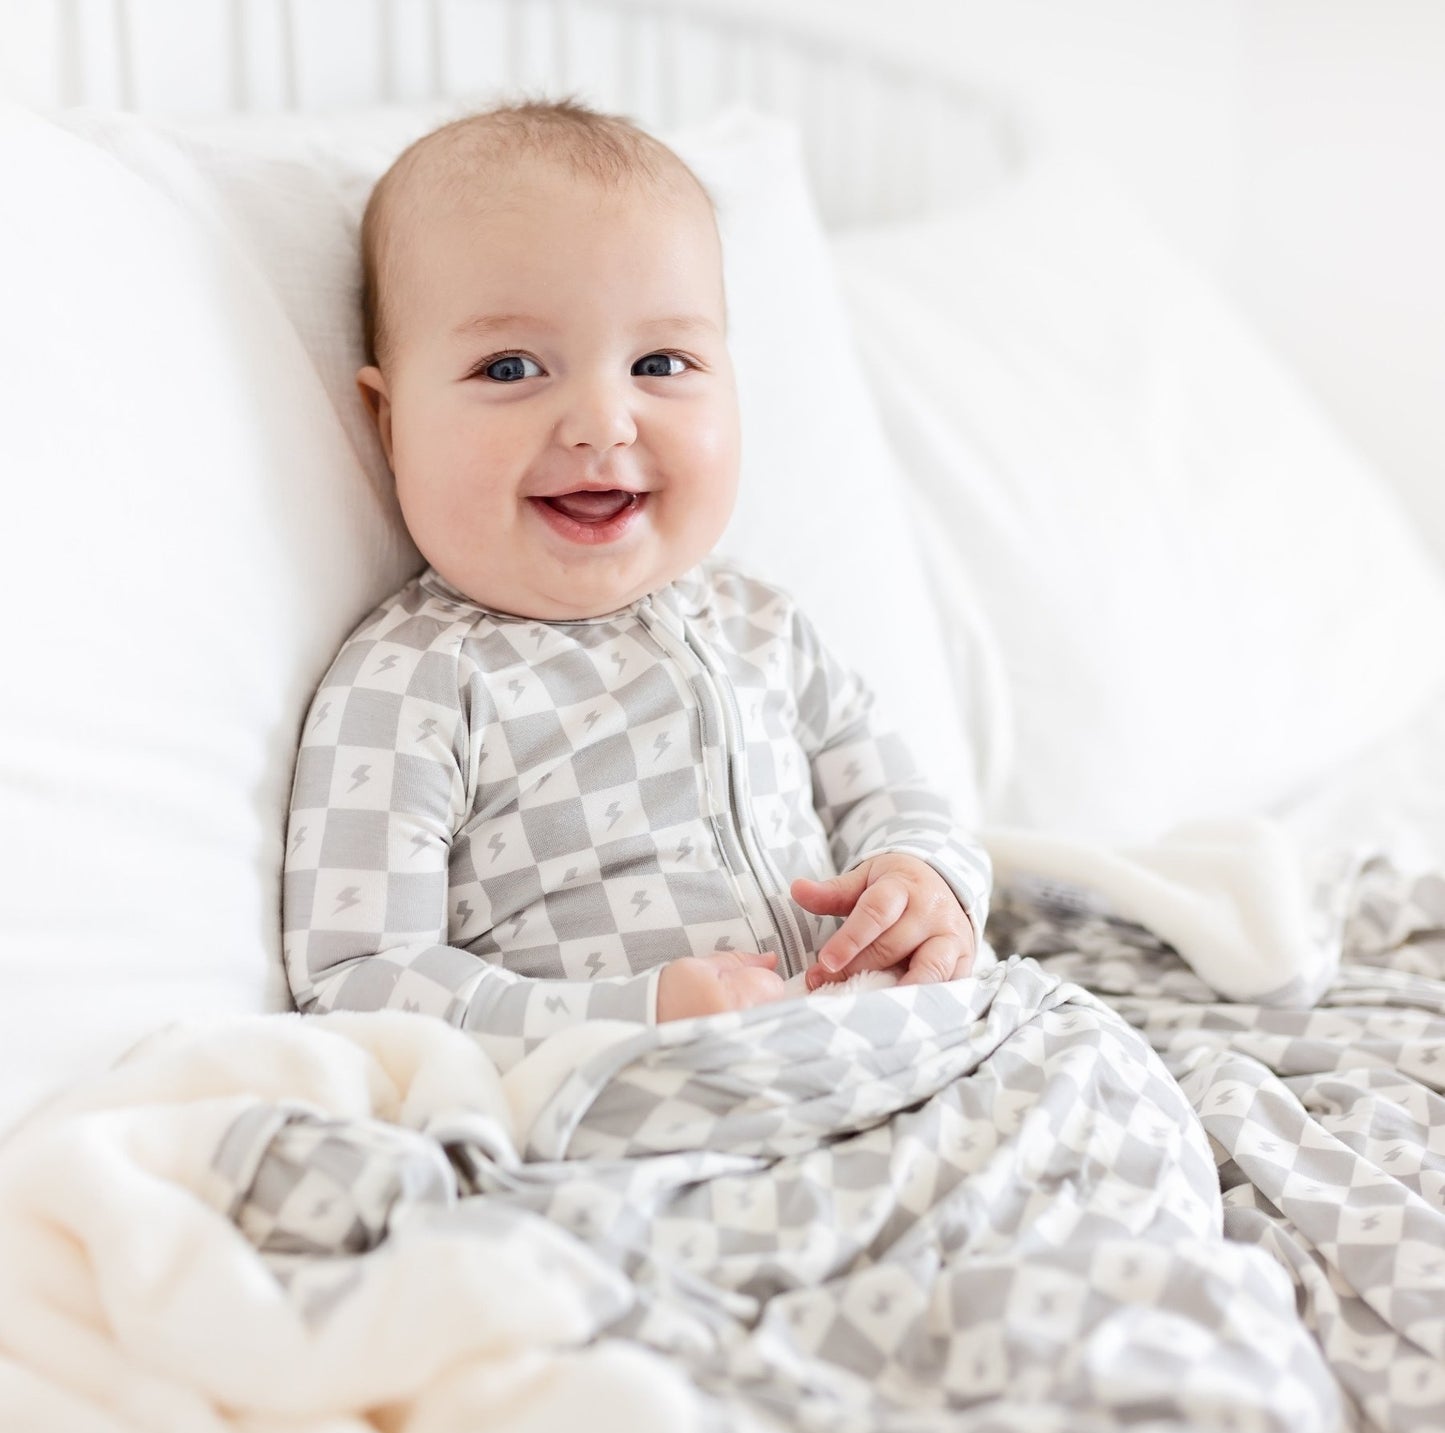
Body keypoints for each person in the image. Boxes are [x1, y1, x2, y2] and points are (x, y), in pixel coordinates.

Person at [281, 99, 991, 1068]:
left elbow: (901, 800)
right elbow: (356, 979)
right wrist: (636, 1011)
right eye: (510, 366)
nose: (601, 422)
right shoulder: (412, 683)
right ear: (390, 420)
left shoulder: (763, 627)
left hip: (868, 1044)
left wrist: (924, 884)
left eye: (659, 361)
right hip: (641, 1099)